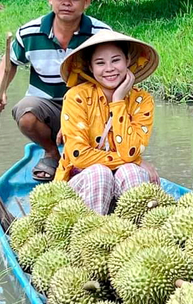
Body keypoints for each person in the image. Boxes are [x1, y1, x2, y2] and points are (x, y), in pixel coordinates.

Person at [0, 0, 111, 181]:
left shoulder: (101, 35)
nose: (66, 2)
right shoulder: (30, 32)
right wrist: (1, 91)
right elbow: (9, 62)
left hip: (89, 108)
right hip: (48, 106)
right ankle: (52, 153)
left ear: (87, 2)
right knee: (25, 114)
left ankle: (91, 155)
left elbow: (115, 73)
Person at [54, 29, 161, 214]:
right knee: (100, 173)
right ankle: (92, 235)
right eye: (100, 63)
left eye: (116, 60)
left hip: (122, 182)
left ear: (127, 60)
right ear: (90, 67)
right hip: (81, 186)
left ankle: (137, 235)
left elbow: (130, 152)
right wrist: (136, 161)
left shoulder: (142, 100)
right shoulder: (76, 97)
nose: (109, 68)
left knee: (131, 172)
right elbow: (80, 156)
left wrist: (118, 101)